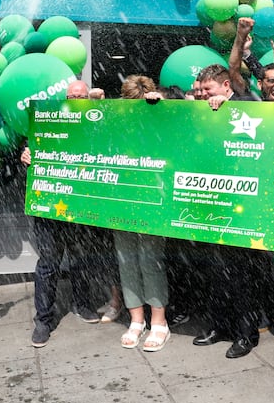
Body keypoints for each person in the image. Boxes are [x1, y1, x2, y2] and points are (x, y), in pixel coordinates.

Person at [22, 79, 111, 349]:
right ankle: (43, 320)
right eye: (71, 96)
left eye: (81, 96)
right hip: (50, 206)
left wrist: (98, 99)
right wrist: (26, 155)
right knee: (48, 264)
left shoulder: (98, 124)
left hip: (81, 206)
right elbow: (34, 145)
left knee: (82, 260)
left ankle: (82, 305)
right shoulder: (50, 120)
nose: (75, 100)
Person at [190, 63, 270, 359]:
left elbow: (258, 110)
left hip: (242, 210)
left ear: (226, 88)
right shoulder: (201, 111)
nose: (204, 95)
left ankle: (245, 334)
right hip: (209, 204)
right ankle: (217, 326)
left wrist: (229, 105)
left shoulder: (246, 104)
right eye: (201, 90)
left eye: (209, 90)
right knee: (215, 273)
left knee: (241, 277)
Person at [114, 75, 172, 352]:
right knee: (126, 258)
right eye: (129, 103)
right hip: (121, 196)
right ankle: (136, 320)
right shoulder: (117, 120)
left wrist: (161, 107)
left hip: (153, 196)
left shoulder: (159, 115)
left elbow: (182, 127)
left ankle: (159, 321)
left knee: (150, 259)